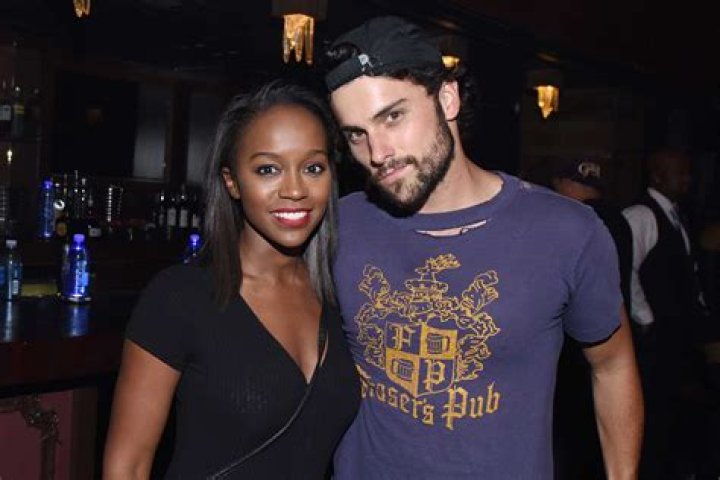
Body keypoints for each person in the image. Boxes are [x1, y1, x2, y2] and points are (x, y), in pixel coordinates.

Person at [322, 16, 643, 479]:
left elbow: (613, 367)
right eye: (356, 134)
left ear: (447, 99)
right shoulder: (339, 225)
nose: (377, 152)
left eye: (392, 116)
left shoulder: (566, 231)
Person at [103, 81, 360, 479]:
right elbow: (128, 467)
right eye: (268, 169)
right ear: (232, 182)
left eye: (313, 168)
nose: (295, 190)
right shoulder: (180, 298)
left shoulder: (341, 292)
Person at [623, 148, 713, 479]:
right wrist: (646, 318)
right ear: (658, 176)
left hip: (679, 337)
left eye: (688, 173)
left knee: (679, 415)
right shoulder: (641, 215)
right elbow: (625, 269)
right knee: (656, 417)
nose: (687, 180)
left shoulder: (677, 215)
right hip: (657, 340)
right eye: (680, 173)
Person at [550, 156, 635, 479]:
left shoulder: (571, 226)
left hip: (577, 350)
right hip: (610, 336)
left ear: (561, 183)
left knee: (572, 441)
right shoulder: (618, 220)